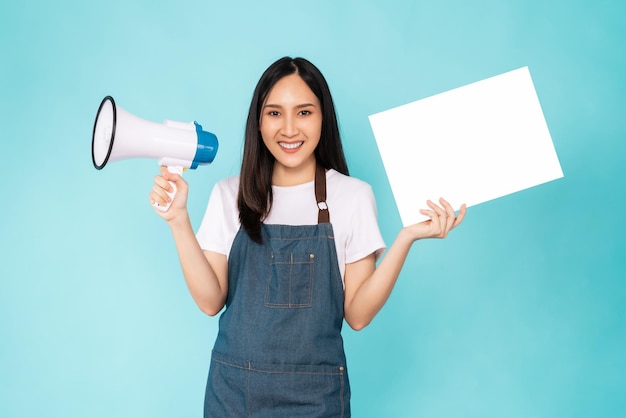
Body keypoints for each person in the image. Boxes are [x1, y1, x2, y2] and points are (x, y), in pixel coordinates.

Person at [149, 56, 466, 417]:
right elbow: (210, 301)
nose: (289, 129)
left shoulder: (353, 196)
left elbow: (358, 315)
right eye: (274, 113)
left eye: (303, 112)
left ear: (323, 117)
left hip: (317, 398)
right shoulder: (229, 194)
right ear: (258, 120)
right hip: (234, 394)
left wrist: (407, 238)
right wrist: (178, 220)